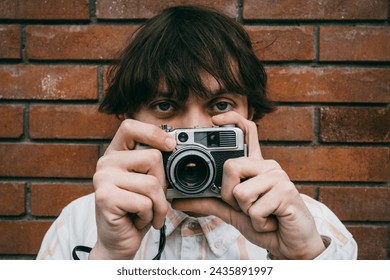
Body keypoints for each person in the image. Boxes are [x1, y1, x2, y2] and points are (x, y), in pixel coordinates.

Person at [37, 5, 357, 260]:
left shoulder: (313, 228)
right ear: (129, 118)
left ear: (250, 117)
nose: (194, 128)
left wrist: (302, 259)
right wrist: (108, 257)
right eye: (165, 106)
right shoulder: (79, 225)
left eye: (219, 106)